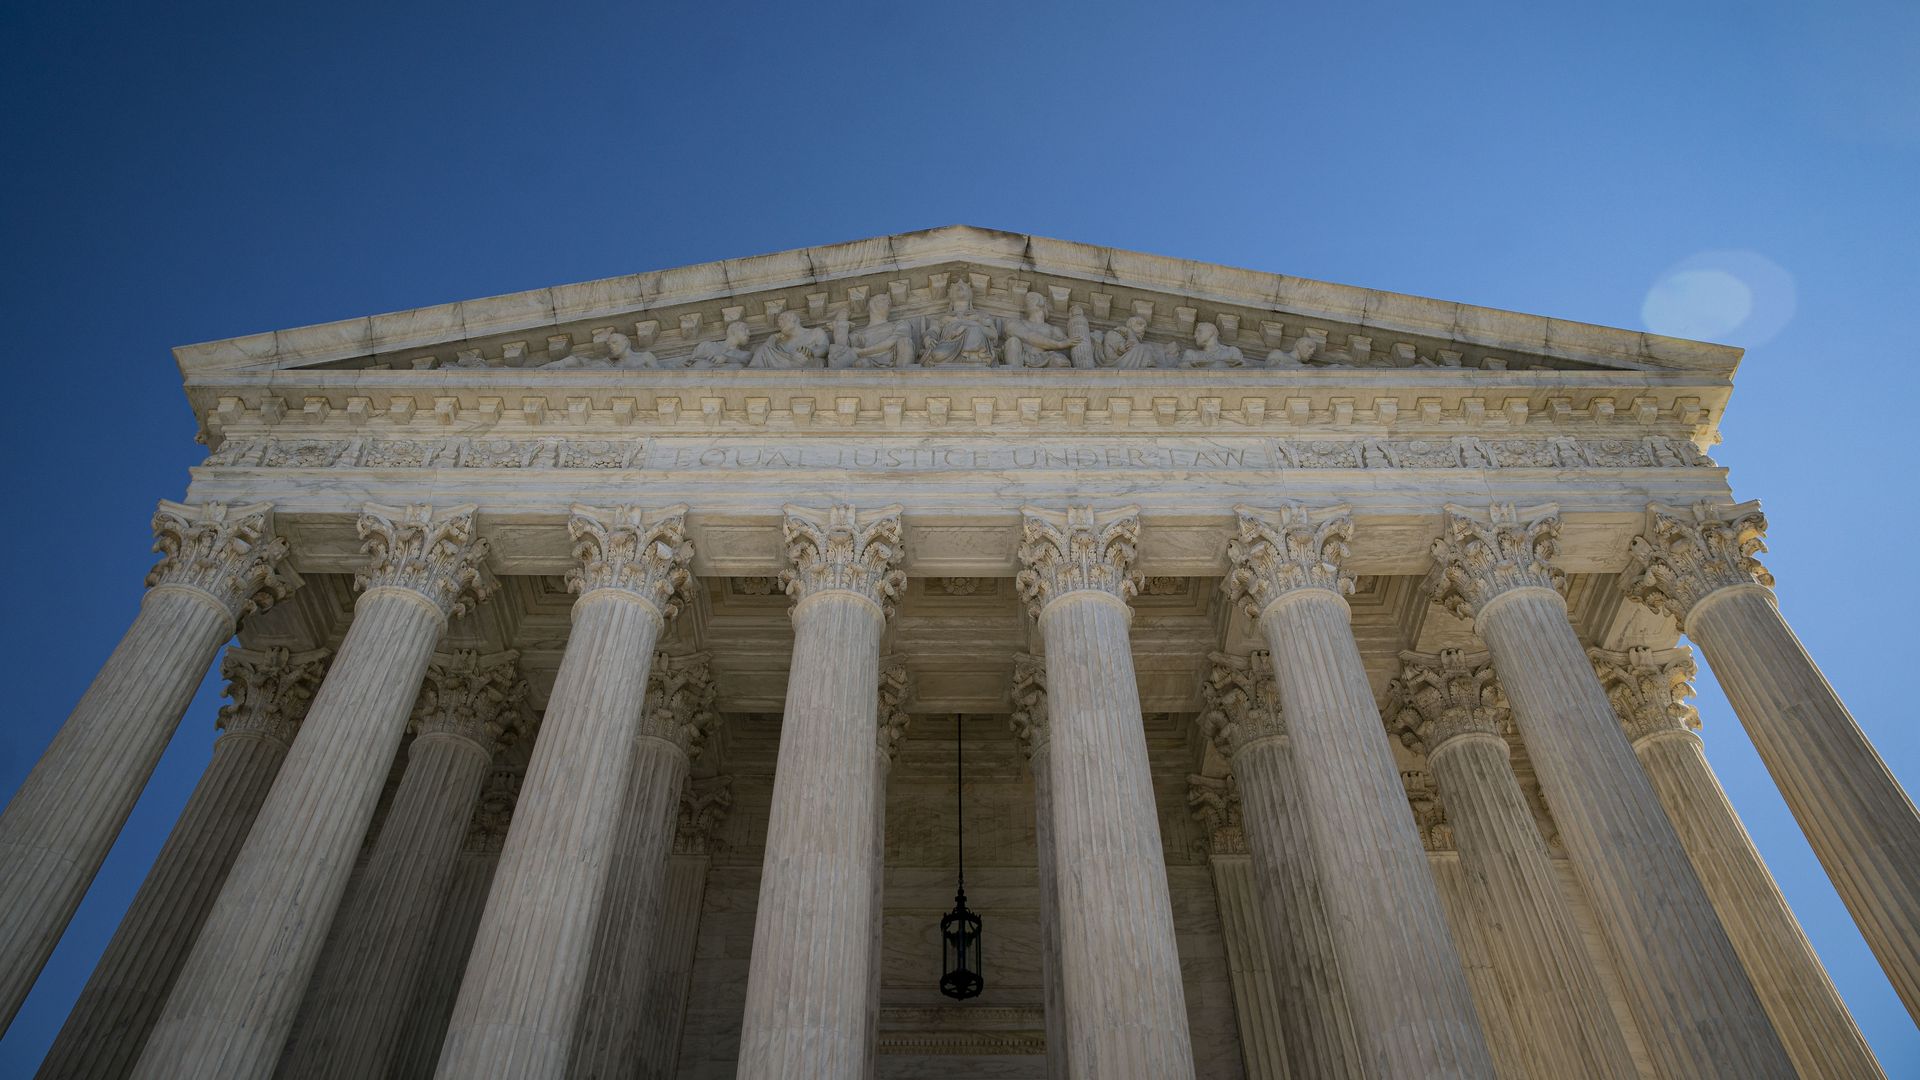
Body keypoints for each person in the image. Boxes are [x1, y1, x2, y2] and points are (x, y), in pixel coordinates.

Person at [919, 282, 999, 367]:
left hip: (976, 348)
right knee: (936, 354)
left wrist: (972, 324)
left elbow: (993, 335)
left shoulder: (981, 316)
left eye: (964, 286)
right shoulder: (942, 318)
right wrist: (928, 340)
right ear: (950, 295)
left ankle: (972, 356)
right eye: (956, 286)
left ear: (970, 294)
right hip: (949, 345)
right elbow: (933, 331)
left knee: (975, 330)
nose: (960, 284)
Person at [829, 292, 916, 368]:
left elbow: (895, 339)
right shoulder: (859, 334)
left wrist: (863, 352)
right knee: (861, 364)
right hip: (867, 363)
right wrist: (841, 322)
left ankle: (903, 379)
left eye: (888, 301)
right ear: (872, 305)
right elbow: (841, 347)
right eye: (883, 299)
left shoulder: (900, 324)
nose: (888, 302)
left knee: (905, 341)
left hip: (896, 363)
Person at [1003, 292, 1082, 368]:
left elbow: (1069, 348)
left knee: (1060, 362)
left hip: (1045, 358)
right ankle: (1015, 375)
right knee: (1013, 341)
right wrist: (1059, 344)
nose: (1028, 301)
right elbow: (1028, 336)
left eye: (1032, 299)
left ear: (1042, 304)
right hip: (1022, 358)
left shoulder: (1054, 330)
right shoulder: (1015, 322)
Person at [750, 310, 829, 369]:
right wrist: (772, 338)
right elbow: (765, 352)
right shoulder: (781, 344)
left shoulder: (815, 332)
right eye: (779, 322)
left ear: (793, 319)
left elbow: (824, 348)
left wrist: (811, 352)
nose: (779, 324)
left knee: (817, 362)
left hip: (806, 364)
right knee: (762, 349)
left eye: (782, 319)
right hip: (784, 368)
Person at [687, 321, 753, 369]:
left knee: (738, 366)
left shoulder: (745, 355)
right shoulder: (707, 345)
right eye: (745, 330)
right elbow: (690, 364)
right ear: (733, 331)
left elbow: (748, 361)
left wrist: (726, 359)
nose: (749, 334)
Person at [1180, 322, 1245, 368]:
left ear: (1211, 332)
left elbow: (1246, 369)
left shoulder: (1232, 352)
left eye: (1199, 331)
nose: (1195, 336)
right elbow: (1181, 370)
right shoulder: (1191, 354)